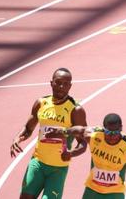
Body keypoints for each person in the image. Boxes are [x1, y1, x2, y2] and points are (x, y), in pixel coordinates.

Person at [46, 113, 126, 199]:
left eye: (116, 132)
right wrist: (63, 131)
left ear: (121, 129)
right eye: (109, 132)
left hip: (114, 194)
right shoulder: (93, 136)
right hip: (91, 191)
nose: (112, 136)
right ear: (104, 129)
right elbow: (79, 130)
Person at [10, 68, 87, 199]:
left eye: (65, 84)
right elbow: (28, 128)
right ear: (51, 83)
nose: (61, 87)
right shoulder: (41, 103)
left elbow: (83, 142)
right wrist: (18, 138)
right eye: (58, 82)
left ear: (70, 86)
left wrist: (71, 153)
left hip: (58, 168)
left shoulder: (75, 110)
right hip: (37, 163)